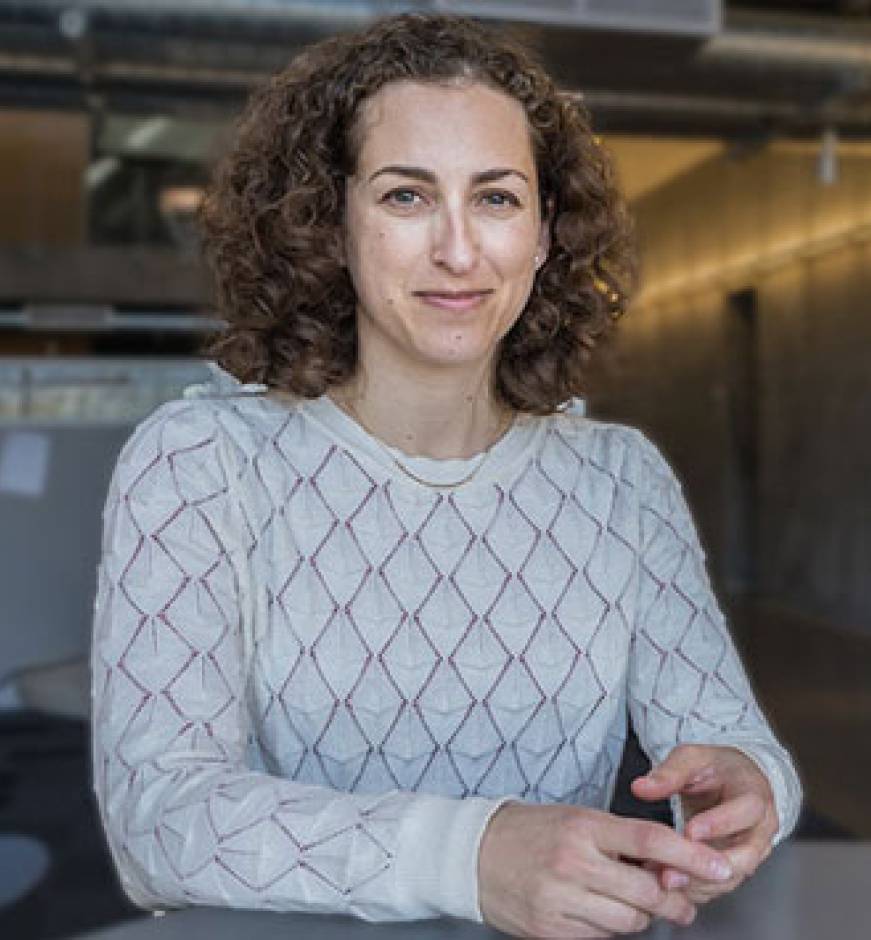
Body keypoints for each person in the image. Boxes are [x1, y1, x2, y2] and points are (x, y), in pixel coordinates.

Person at [89, 14, 800, 937]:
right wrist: (472, 855)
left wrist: (750, 783)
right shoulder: (199, 464)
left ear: (544, 234)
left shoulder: (621, 480)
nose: (459, 251)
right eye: (406, 197)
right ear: (330, 221)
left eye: (498, 199)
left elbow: (729, 737)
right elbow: (159, 822)